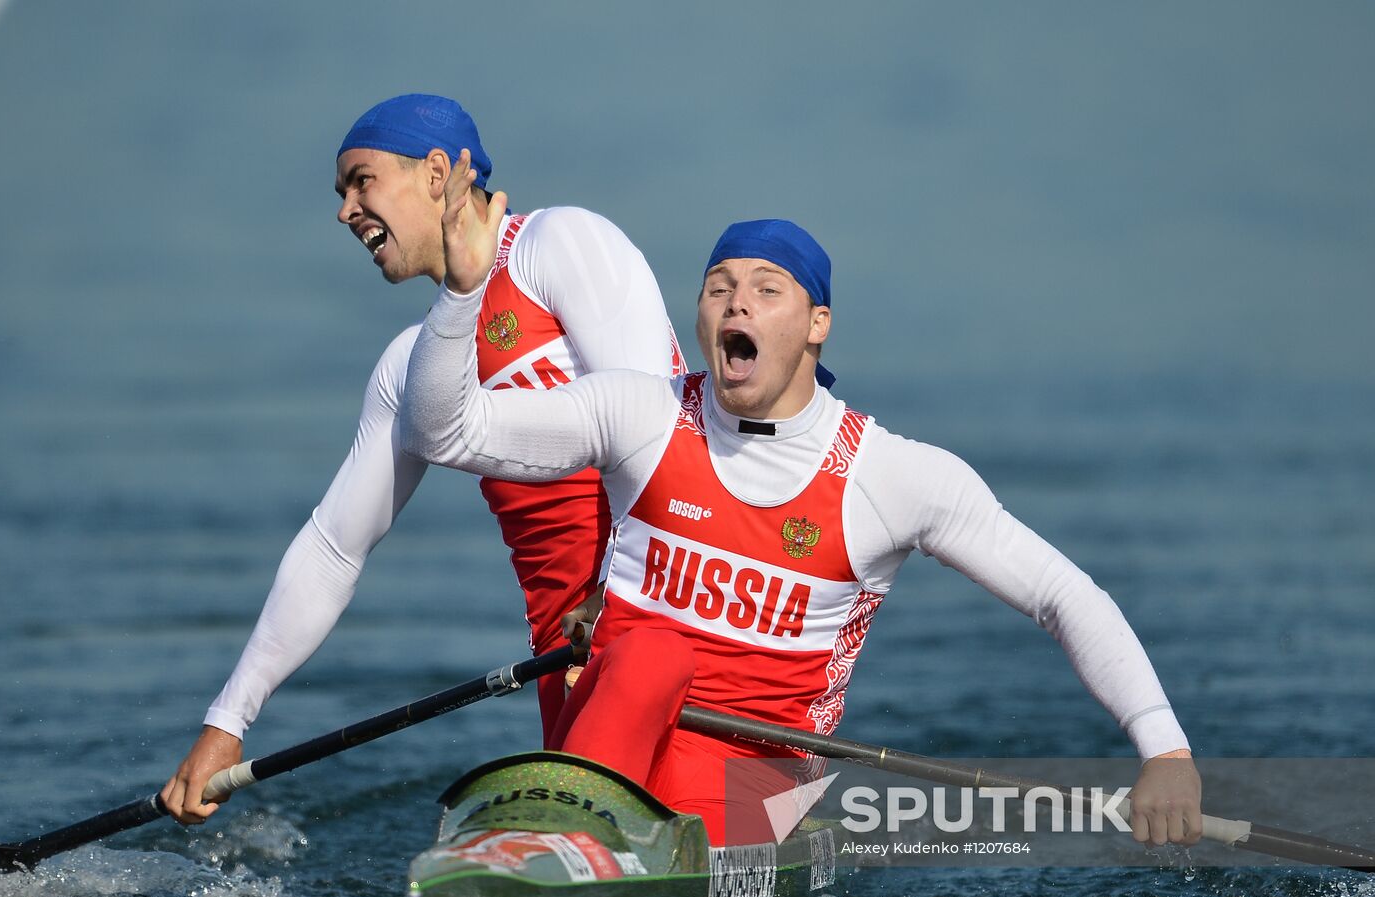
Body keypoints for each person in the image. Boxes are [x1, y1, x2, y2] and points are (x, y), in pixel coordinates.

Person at [399, 151, 1202, 848]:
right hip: (612, 742)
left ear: (817, 324)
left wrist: (1163, 750)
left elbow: (1064, 595)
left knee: (656, 663)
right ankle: (559, 854)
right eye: (719, 288)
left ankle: (573, 857)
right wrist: (462, 296)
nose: (736, 303)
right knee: (649, 653)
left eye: (765, 289)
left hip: (758, 784)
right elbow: (448, 434)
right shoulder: (639, 413)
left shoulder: (890, 478)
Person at [160, 95, 685, 825]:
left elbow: (661, 432)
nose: (345, 210)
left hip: (670, 620)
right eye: (341, 192)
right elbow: (333, 549)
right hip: (565, 658)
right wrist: (228, 724)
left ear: (436, 174)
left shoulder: (558, 247)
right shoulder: (412, 367)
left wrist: (612, 593)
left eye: (361, 181)